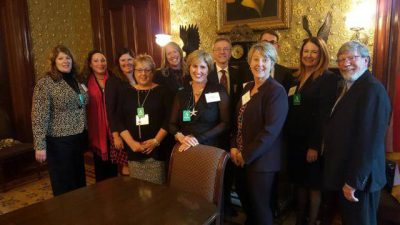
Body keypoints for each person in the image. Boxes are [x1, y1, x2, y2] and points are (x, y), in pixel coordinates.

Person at [323, 41, 391, 225]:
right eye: (341, 59)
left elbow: (370, 142)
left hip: (360, 181)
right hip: (348, 174)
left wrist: (354, 181)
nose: (345, 63)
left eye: (351, 58)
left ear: (366, 60)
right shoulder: (350, 86)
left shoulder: (372, 90)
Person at [230, 42, 288, 225]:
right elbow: (237, 120)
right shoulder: (248, 88)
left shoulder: (276, 91)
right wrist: (233, 147)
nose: (260, 64)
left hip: (261, 162)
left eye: (265, 59)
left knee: (261, 208)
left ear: (272, 64)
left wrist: (245, 155)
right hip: (240, 158)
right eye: (256, 59)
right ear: (249, 63)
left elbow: (270, 131)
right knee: (248, 205)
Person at [285, 37, 340, 225]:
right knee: (300, 183)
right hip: (295, 141)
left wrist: (315, 146)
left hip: (312, 142)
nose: (309, 55)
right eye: (306, 51)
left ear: (321, 54)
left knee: (313, 186)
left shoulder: (328, 79)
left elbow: (324, 116)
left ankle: (312, 221)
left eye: (314, 52)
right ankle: (300, 218)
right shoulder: (296, 77)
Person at [32, 45, 87, 196]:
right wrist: (40, 145)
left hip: (77, 137)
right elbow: (39, 116)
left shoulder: (77, 79)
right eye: (60, 58)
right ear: (53, 62)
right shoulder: (46, 83)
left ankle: (81, 211)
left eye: (68, 58)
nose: (65, 61)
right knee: (64, 182)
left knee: (78, 179)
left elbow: (81, 104)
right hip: (59, 141)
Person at [118, 54, 172, 184]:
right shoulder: (125, 92)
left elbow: (169, 119)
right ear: (134, 71)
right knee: (138, 190)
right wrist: (131, 143)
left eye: (147, 70)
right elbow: (119, 120)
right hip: (134, 151)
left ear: (153, 72)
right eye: (139, 70)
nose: (143, 74)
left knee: (158, 192)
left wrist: (155, 141)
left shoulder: (163, 91)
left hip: (156, 151)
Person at [209, 36, 245, 218]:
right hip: (213, 129)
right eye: (218, 49)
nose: (222, 52)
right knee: (213, 169)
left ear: (231, 53)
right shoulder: (205, 72)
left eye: (226, 49)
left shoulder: (239, 73)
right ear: (213, 52)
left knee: (229, 168)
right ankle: (214, 206)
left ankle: (227, 204)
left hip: (233, 129)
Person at [169, 50, 230, 152]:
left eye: (202, 67)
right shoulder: (182, 93)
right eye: (194, 66)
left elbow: (225, 123)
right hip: (185, 148)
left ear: (208, 69)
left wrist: (198, 139)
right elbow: (172, 124)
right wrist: (180, 137)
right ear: (189, 67)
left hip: (210, 148)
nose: (198, 71)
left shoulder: (218, 90)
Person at [82, 49, 118, 182]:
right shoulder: (84, 82)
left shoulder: (114, 79)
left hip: (113, 127)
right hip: (96, 129)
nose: (100, 63)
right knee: (100, 168)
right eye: (96, 61)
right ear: (90, 64)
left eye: (103, 60)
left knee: (114, 165)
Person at [105, 48, 136, 176]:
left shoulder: (139, 76)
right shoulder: (113, 81)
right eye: (123, 60)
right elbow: (110, 110)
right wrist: (116, 135)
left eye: (129, 59)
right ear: (118, 63)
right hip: (121, 129)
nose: (127, 62)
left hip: (136, 126)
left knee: (135, 163)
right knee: (126, 166)